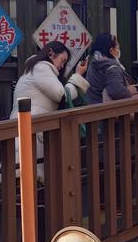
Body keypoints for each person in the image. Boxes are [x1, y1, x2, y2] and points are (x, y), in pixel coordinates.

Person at [10, 41, 90, 178]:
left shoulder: (34, 67)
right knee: (29, 171)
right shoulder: (42, 68)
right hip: (32, 123)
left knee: (25, 169)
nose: (62, 66)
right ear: (51, 53)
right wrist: (77, 76)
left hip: (29, 123)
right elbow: (61, 95)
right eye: (62, 60)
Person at [85, 33, 137, 103]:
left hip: (94, 105)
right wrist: (130, 91)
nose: (119, 49)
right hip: (107, 108)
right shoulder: (111, 69)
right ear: (112, 50)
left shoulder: (94, 63)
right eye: (118, 47)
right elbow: (117, 92)